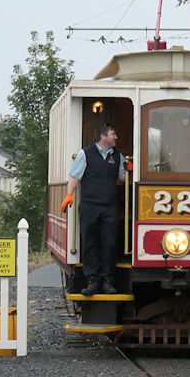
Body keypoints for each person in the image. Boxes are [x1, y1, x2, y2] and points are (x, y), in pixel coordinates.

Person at [60, 125, 128, 296]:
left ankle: (107, 280)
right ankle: (92, 279)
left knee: (109, 243)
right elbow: (74, 176)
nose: (116, 137)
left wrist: (130, 170)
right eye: (113, 134)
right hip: (89, 205)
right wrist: (69, 194)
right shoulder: (85, 154)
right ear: (103, 137)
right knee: (90, 242)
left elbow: (122, 178)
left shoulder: (117, 156)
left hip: (110, 206)